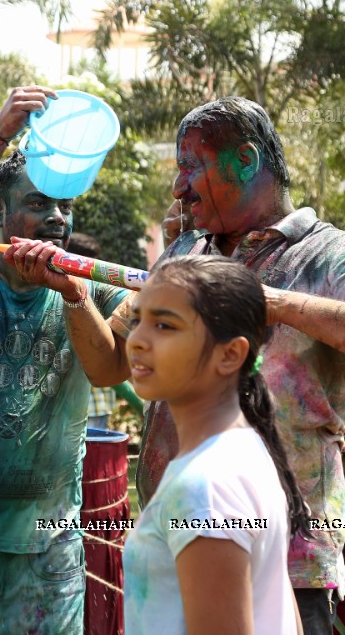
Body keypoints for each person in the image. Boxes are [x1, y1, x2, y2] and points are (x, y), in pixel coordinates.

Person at [108, 98, 345, 634]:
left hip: (288, 563)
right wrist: (71, 296)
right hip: (176, 539)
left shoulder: (329, 255)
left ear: (245, 159)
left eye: (192, 166)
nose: (179, 188)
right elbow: (108, 363)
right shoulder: (187, 251)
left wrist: (274, 302)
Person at [0, 85, 131, 635]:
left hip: (48, 543)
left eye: (63, 205)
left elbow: (109, 369)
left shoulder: (96, 290)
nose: (56, 218)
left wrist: (73, 294)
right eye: (37, 204)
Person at [123, 255, 307, 634]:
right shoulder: (244, 451)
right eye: (137, 319)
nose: (138, 340)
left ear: (230, 354)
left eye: (164, 325)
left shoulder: (206, 487)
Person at [65, 232, 140, 431]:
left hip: (100, 405)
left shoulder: (98, 293)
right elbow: (107, 361)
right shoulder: (70, 300)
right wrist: (137, 402)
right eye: (90, 265)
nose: (95, 273)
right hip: (84, 407)